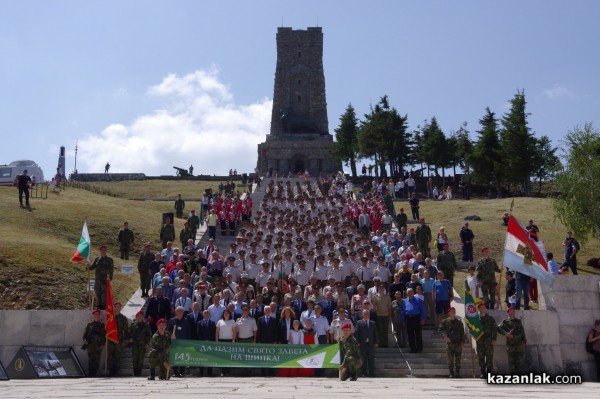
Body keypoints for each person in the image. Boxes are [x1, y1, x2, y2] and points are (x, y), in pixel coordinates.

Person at [497, 307, 527, 374]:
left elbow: (522, 331)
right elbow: (498, 328)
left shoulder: (518, 321)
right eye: (510, 311)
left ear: (514, 312)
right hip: (510, 345)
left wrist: (524, 341)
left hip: (519, 344)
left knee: (519, 361)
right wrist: (506, 334)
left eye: (513, 311)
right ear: (508, 313)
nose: (512, 312)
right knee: (511, 362)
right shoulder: (505, 321)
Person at [439, 307, 464, 378]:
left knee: (458, 359)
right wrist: (445, 337)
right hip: (450, 343)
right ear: (449, 313)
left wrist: (462, 342)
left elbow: (462, 332)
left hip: (458, 343)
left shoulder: (459, 322)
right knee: (450, 359)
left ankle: (457, 373)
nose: (453, 313)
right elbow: (440, 330)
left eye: (454, 312)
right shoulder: (445, 322)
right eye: (451, 312)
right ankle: (451, 373)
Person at [87, 244, 115, 310]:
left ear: (106, 251)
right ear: (100, 250)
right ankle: (98, 308)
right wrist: (87, 266)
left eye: (105, 249)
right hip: (97, 280)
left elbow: (111, 270)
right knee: (97, 294)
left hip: (104, 281)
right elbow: (92, 267)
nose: (103, 250)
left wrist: (110, 279)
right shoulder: (97, 259)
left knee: (104, 296)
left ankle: (103, 308)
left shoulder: (109, 260)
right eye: (102, 249)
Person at [107, 302, 130, 377]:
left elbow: (126, 330)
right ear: (113, 308)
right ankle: (110, 372)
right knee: (110, 356)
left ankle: (116, 372)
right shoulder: (110, 317)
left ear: (120, 308)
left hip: (119, 340)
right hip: (110, 339)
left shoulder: (123, 318)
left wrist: (125, 339)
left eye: (118, 307)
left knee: (117, 356)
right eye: (115, 306)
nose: (117, 308)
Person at [477, 301, 497, 378]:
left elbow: (494, 329)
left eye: (484, 307)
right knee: (481, 357)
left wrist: (494, 338)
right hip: (480, 341)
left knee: (489, 357)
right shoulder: (476, 319)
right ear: (479, 309)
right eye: (481, 308)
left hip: (488, 341)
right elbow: (473, 329)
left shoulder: (490, 318)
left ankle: (489, 372)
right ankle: (482, 372)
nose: (483, 309)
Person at [355, 309, 378, 377]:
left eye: (367, 314)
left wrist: (376, 341)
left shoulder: (372, 323)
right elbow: (357, 334)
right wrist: (357, 342)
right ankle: (364, 373)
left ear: (369, 315)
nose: (366, 315)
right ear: (363, 314)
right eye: (365, 314)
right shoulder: (359, 323)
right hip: (362, 344)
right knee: (363, 359)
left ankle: (371, 373)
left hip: (371, 344)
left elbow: (375, 333)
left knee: (371, 359)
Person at [129, 310, 152, 377]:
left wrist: (147, 342)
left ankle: (139, 372)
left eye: (141, 316)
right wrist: (130, 338)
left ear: (142, 317)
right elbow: (129, 332)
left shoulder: (146, 325)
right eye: (138, 316)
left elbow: (149, 334)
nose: (139, 317)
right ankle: (135, 372)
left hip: (142, 345)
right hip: (134, 344)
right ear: (136, 317)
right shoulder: (133, 325)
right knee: (135, 359)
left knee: (141, 359)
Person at [82, 309, 105, 377]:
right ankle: (90, 374)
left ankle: (95, 374)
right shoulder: (89, 325)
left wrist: (103, 344)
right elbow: (85, 334)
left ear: (99, 315)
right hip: (90, 345)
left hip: (98, 345)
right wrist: (84, 340)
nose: (96, 315)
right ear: (93, 315)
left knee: (97, 359)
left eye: (97, 314)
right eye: (95, 314)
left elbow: (104, 335)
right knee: (91, 359)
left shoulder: (102, 325)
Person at [402, 288, 425, 353]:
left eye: (411, 292)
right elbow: (403, 311)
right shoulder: (405, 301)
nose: (410, 293)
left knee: (418, 334)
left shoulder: (418, 300)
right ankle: (413, 348)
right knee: (410, 335)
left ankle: (419, 348)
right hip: (408, 319)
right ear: (407, 293)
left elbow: (422, 309)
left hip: (416, 318)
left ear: (413, 292)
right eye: (408, 292)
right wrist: (403, 320)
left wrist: (422, 319)